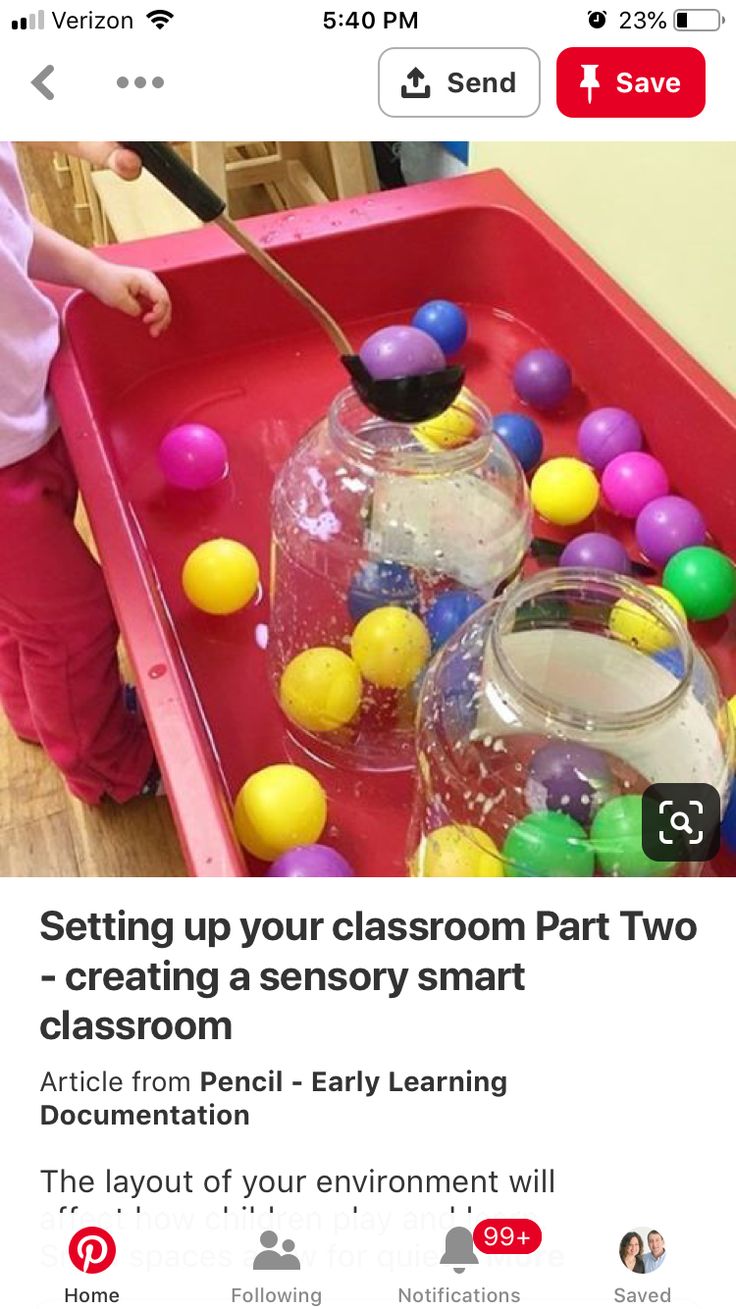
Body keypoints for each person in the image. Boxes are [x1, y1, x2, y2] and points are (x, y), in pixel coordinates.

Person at [0, 141, 172, 802]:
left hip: (28, 411)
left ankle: (33, 708)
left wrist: (93, 272)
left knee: (30, 617)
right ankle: (108, 768)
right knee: (74, 620)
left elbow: (14, 232)